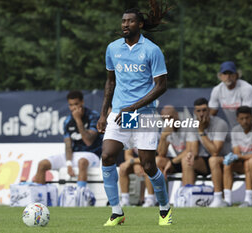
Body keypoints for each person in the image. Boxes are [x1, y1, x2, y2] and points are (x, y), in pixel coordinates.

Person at [97, 3, 172, 226]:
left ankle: (164, 209)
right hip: (119, 113)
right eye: (123, 21)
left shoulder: (152, 50)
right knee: (107, 156)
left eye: (130, 21)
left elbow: (161, 86)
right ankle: (116, 212)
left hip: (144, 114)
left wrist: (134, 107)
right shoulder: (113, 48)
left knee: (148, 166)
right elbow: (110, 82)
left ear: (139, 24)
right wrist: (103, 113)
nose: (125, 25)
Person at [34, 91, 103, 188]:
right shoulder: (67, 121)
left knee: (82, 162)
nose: (73, 108)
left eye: (76, 104)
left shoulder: (93, 116)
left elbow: (88, 141)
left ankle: (80, 197)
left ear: (82, 102)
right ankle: (38, 198)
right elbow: (68, 146)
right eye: (71, 105)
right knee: (42, 164)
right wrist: (69, 163)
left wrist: (78, 120)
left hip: (92, 155)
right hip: (74, 155)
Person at [181, 97, 231, 207]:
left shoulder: (220, 124)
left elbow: (215, 151)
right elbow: (194, 150)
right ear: (194, 112)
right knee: (187, 161)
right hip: (207, 160)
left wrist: (201, 131)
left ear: (209, 111)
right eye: (198, 111)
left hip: (225, 159)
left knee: (213, 160)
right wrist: (191, 154)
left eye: (204, 110)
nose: (201, 113)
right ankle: (187, 198)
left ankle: (219, 199)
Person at [223, 106, 252, 207]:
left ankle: (248, 200)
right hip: (243, 162)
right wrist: (234, 157)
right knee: (227, 165)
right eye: (242, 119)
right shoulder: (235, 131)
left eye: (247, 118)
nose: (245, 121)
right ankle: (227, 200)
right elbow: (236, 152)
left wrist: (237, 157)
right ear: (237, 119)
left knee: (249, 163)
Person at [208, 61, 252, 129]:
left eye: (231, 73)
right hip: (236, 128)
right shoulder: (217, 90)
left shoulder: (246, 88)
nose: (228, 77)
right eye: (225, 74)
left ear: (236, 75)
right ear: (220, 76)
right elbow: (212, 113)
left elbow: (245, 114)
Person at [156, 105, 195, 185]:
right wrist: (163, 137)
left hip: (193, 159)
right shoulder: (166, 128)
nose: (168, 122)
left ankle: (185, 195)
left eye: (170, 118)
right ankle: (160, 195)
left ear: (177, 115)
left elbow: (190, 150)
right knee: (157, 161)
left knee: (186, 160)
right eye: (165, 119)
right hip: (177, 161)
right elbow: (161, 153)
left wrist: (172, 162)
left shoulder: (187, 125)